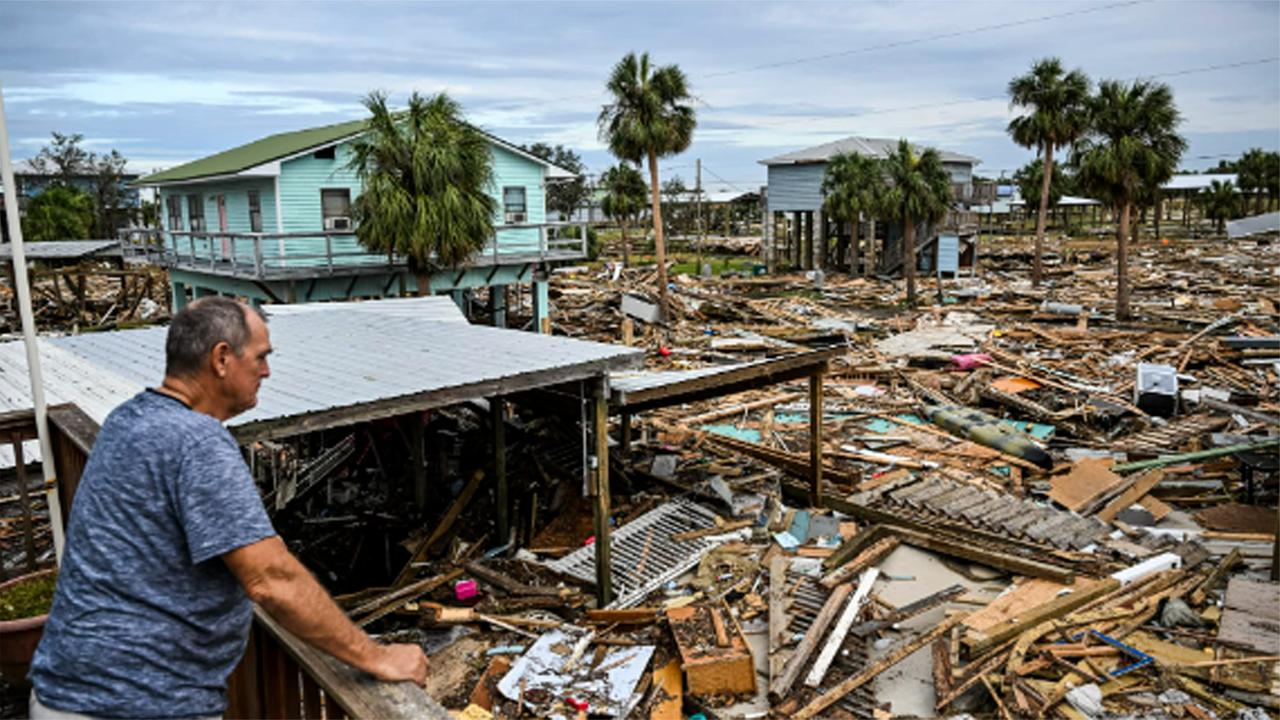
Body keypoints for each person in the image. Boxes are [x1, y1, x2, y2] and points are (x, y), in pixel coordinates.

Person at [28, 297, 428, 719]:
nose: (267, 371)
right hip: (137, 704)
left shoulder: (127, 419)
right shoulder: (197, 441)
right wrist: (376, 657)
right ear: (221, 358)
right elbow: (271, 578)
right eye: (260, 357)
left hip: (65, 691)